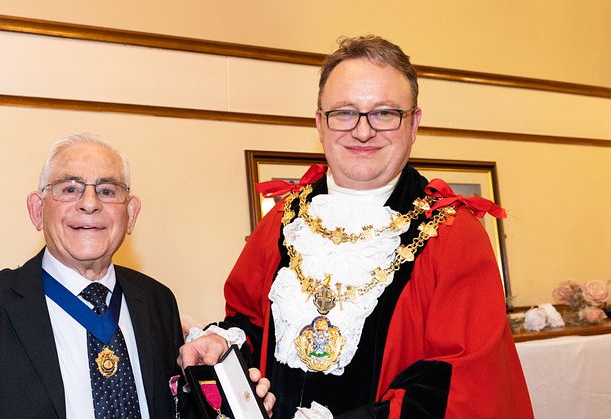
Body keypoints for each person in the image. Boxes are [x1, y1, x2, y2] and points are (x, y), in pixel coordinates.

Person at [179, 36, 534, 418]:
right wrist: (219, 341)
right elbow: (249, 323)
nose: (363, 132)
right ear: (320, 122)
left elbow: (459, 385)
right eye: (344, 112)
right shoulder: (281, 221)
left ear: (413, 124)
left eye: (384, 113)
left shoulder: (452, 234)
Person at [0, 133, 272, 418]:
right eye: (69, 188)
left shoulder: (158, 302)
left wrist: (233, 405)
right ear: (37, 210)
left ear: (130, 214)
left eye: (107, 190)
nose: (89, 203)